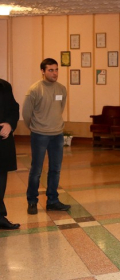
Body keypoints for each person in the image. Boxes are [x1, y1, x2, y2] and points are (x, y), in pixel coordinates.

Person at [23, 58, 71, 215]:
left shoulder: (62, 89)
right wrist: (36, 127)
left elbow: (60, 109)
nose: (55, 73)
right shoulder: (35, 90)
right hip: (39, 135)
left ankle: (52, 201)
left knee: (55, 169)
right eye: (51, 70)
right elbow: (26, 114)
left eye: (56, 70)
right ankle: (32, 201)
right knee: (36, 170)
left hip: (57, 135)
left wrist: (54, 124)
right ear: (43, 71)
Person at [0, 78, 20, 230]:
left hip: (2, 140)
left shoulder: (4, 86)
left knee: (1, 180)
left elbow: (14, 108)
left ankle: (0, 217)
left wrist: (9, 124)